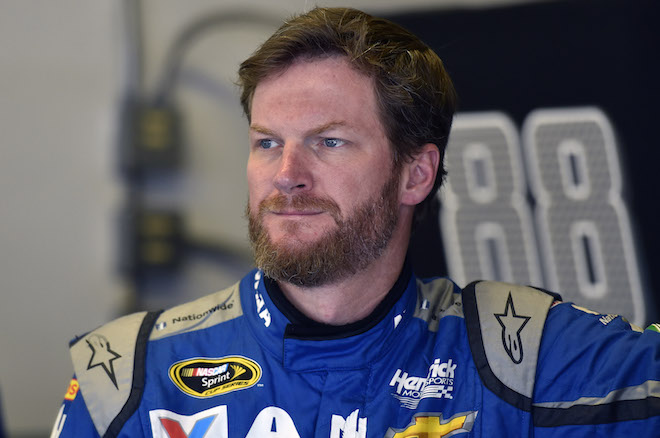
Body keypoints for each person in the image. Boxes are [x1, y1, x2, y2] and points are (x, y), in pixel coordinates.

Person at [51, 7, 660, 437]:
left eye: (330, 142)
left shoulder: (520, 356)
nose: (286, 175)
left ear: (416, 174)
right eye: (267, 143)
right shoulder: (129, 377)